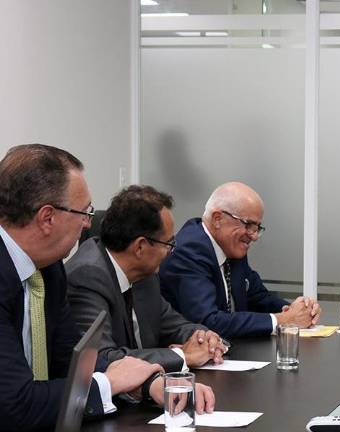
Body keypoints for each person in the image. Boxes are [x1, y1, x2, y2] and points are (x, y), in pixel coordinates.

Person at [0, 144, 212, 431]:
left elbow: (72, 363)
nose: (88, 224)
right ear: (47, 218)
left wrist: (148, 382)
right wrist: (109, 383)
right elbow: (14, 405)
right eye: (84, 212)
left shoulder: (49, 269)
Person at [67, 185, 226, 372]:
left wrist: (205, 338)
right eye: (169, 244)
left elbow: (175, 325)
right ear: (140, 247)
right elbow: (100, 358)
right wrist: (183, 356)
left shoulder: (144, 274)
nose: (170, 252)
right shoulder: (87, 277)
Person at [160, 182, 321, 338]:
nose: (254, 236)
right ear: (217, 219)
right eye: (248, 225)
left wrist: (296, 310)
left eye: (257, 227)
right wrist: (282, 320)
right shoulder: (189, 252)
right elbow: (208, 322)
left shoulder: (231, 246)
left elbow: (258, 297)